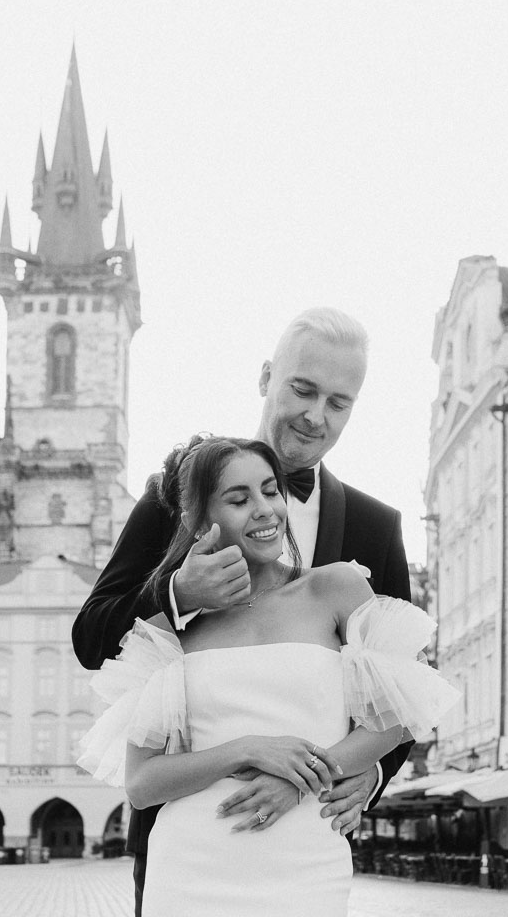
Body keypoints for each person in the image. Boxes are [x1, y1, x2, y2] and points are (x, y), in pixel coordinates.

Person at [70, 307, 416, 914]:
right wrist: (177, 593)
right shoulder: (175, 493)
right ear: (266, 378)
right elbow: (91, 638)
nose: (316, 416)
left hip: (306, 842)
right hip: (185, 844)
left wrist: (372, 774)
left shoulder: (374, 528)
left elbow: (403, 690)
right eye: (303, 389)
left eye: (339, 402)